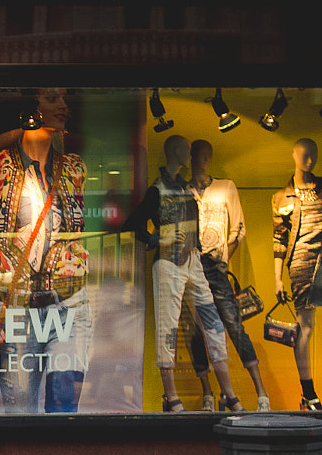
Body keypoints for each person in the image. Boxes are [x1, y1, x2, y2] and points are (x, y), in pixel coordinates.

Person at [0, 88, 91, 412]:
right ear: (32, 107)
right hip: (14, 308)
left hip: (69, 304)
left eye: (65, 98)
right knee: (21, 411)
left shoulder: (74, 168)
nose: (63, 105)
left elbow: (75, 237)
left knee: (64, 407)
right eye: (53, 98)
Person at [119, 134, 233, 412]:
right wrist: (159, 240)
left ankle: (229, 393)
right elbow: (132, 225)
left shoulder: (186, 188)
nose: (189, 154)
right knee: (168, 327)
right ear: (175, 152)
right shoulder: (157, 190)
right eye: (185, 150)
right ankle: (172, 396)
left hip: (193, 262)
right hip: (168, 265)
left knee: (214, 323)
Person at [188, 140, 266, 412]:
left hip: (216, 266)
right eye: (197, 155)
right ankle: (209, 393)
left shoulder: (225, 187)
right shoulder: (183, 191)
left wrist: (223, 258)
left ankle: (261, 394)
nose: (202, 159)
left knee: (233, 325)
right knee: (196, 331)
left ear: (210, 157)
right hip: (191, 265)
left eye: (206, 155)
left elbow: (239, 228)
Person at [273, 138, 322, 411]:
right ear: (294, 156)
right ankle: (309, 393)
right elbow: (278, 239)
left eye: (313, 155)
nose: (310, 161)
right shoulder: (281, 197)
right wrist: (277, 278)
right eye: (305, 155)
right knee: (307, 326)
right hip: (302, 262)